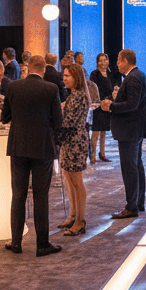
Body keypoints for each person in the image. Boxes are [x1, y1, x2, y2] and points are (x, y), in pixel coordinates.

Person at [1, 55, 63, 257]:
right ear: (43, 69)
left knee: (18, 195)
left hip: (18, 147)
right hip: (42, 148)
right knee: (40, 196)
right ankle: (42, 244)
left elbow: (5, 117)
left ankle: (16, 242)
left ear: (27, 68)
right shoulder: (51, 89)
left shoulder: (12, 87)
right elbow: (58, 121)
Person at [102, 48, 146, 219]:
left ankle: (132, 206)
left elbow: (132, 105)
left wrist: (111, 105)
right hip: (134, 129)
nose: (116, 64)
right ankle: (138, 202)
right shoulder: (139, 76)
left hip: (130, 130)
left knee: (130, 168)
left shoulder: (132, 78)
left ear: (125, 61)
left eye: (118, 60)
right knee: (136, 165)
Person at [57, 64, 92, 235]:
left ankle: (80, 220)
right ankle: (73, 215)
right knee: (69, 179)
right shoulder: (73, 95)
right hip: (69, 140)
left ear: (76, 78)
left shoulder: (78, 96)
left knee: (77, 181)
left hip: (75, 141)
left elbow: (68, 122)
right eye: (64, 75)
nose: (64, 78)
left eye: (68, 76)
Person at [90, 54, 119, 163]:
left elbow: (113, 87)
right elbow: (93, 90)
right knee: (96, 131)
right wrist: (102, 100)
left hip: (108, 105)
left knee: (104, 131)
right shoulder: (94, 74)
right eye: (101, 61)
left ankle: (102, 153)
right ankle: (92, 154)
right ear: (97, 62)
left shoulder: (110, 74)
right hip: (98, 105)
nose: (103, 63)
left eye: (105, 60)